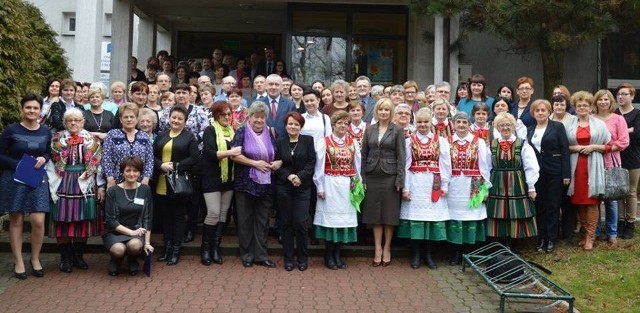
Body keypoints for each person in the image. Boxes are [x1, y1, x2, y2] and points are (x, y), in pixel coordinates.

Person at [0, 93, 51, 279]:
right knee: (17, 221)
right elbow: (0, 154)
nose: (32, 111)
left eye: (35, 108)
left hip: (36, 177)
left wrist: (43, 158)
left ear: (40, 110)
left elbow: (48, 152)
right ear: (22, 109)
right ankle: (19, 261)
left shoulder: (45, 131)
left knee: (38, 221)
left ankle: (35, 259)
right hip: (14, 178)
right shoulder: (11, 129)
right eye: (28, 107)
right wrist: (18, 164)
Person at [48, 108, 103, 273]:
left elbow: (98, 163)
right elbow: (53, 161)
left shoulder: (92, 139)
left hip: (84, 181)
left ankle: (78, 256)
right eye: (70, 120)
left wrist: (100, 185)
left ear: (82, 122)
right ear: (65, 123)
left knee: (82, 219)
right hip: (63, 181)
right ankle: (65, 257)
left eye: (77, 120)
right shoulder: (57, 139)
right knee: (62, 219)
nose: (73, 123)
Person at [230, 101, 281, 268]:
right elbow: (234, 156)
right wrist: (255, 163)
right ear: (249, 117)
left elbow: (279, 155)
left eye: (262, 117)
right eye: (255, 116)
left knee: (263, 220)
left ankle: (261, 255)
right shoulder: (242, 132)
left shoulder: (271, 132)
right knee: (245, 220)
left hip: (266, 184)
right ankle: (247, 254)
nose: (259, 120)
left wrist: (276, 164)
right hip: (246, 183)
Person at [399, 108, 451, 269]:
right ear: (415, 123)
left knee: (431, 220)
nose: (422, 125)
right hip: (415, 183)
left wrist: (444, 184)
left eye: (426, 122)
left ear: (431, 122)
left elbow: (445, 164)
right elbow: (406, 165)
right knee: (416, 221)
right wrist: (405, 188)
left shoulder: (440, 141)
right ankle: (415, 255)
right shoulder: (409, 141)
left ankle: (429, 255)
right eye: (419, 122)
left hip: (433, 184)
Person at [484, 112, 540, 252]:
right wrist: (485, 188)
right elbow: (486, 167)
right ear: (497, 127)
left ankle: (515, 246)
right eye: (502, 125)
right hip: (497, 183)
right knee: (499, 212)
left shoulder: (523, 144)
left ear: (514, 126)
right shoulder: (491, 145)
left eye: (508, 125)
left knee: (516, 212)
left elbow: (531, 166)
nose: (505, 128)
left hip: (517, 183)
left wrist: (531, 187)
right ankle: (502, 245)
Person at [313, 110, 362, 270]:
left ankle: (338, 254)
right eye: (339, 123)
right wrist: (320, 186)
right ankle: (329, 255)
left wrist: (358, 183)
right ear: (333, 124)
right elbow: (319, 167)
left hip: (347, 185)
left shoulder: (353, 142)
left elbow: (357, 165)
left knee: (343, 222)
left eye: (346, 123)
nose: (343, 126)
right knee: (330, 221)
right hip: (330, 184)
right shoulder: (324, 142)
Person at [153, 105, 200, 265]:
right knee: (165, 217)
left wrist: (176, 165)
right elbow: (152, 155)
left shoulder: (189, 137)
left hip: (178, 184)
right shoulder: (161, 136)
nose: (176, 121)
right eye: (174, 117)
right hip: (161, 181)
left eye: (180, 119)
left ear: (185, 121)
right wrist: (161, 165)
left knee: (178, 217)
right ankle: (166, 248)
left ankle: (175, 250)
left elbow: (195, 157)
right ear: (169, 118)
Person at [362, 98, 406, 267]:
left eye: (387, 110)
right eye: (381, 110)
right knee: (375, 215)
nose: (383, 112)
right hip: (372, 175)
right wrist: (363, 178)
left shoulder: (397, 130)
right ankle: (377, 249)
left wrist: (400, 179)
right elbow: (364, 155)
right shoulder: (370, 130)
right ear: (377, 111)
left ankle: (387, 248)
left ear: (391, 112)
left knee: (389, 214)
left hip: (390, 176)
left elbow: (401, 157)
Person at [567, 91, 611, 250]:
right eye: (579, 105)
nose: (582, 108)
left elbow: (609, 146)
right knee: (579, 201)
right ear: (575, 107)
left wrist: (593, 147)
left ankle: (590, 237)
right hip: (576, 167)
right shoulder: (569, 124)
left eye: (585, 105)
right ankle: (585, 234)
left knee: (592, 201)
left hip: (593, 166)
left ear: (591, 106)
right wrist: (576, 148)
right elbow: (564, 146)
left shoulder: (599, 124)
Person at [525, 100, 571, 253]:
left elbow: (565, 151)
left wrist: (566, 174)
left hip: (555, 171)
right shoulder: (530, 129)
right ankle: (542, 237)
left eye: (543, 110)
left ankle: (551, 238)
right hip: (537, 173)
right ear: (533, 113)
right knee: (540, 206)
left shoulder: (557, 127)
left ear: (548, 112)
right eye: (537, 110)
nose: (540, 113)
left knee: (553, 205)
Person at [446, 111, 491, 265]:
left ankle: (469, 254)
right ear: (453, 124)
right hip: (454, 186)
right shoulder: (447, 141)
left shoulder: (478, 142)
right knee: (456, 218)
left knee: (471, 218)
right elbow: (444, 166)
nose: (461, 125)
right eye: (458, 122)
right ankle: (454, 254)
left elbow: (485, 166)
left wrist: (485, 188)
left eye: (464, 122)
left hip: (474, 184)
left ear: (469, 124)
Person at [200, 101, 240, 265]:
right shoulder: (210, 130)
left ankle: (215, 247)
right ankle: (205, 248)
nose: (226, 117)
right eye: (222, 114)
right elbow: (209, 153)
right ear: (216, 115)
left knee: (223, 214)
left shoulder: (233, 131)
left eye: (229, 114)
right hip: (212, 178)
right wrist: (230, 152)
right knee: (214, 213)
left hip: (229, 179)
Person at [275, 112, 316, 271]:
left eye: (296, 124)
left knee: (300, 222)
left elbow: (311, 162)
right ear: (286, 125)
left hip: (302, 188)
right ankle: (289, 258)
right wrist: (289, 176)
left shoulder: (308, 141)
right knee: (286, 223)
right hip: (284, 187)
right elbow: (277, 165)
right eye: (290, 124)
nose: (293, 127)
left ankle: (302, 258)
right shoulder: (279, 142)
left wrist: (300, 176)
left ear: (301, 126)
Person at [102, 157, 154, 276]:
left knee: (134, 245)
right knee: (118, 250)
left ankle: (132, 258)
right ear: (122, 172)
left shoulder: (145, 189)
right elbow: (110, 221)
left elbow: (148, 217)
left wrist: (147, 242)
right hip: (116, 232)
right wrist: (131, 233)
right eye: (128, 170)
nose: (132, 174)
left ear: (140, 172)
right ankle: (116, 259)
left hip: (137, 230)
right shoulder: (113, 191)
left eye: (135, 171)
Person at [593, 89, 629, 246]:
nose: (603, 102)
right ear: (596, 102)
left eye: (606, 99)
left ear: (611, 102)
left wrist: (606, 147)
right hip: (593, 163)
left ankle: (611, 233)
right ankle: (593, 232)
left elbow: (624, 141)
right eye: (600, 99)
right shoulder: (591, 118)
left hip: (610, 162)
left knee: (611, 200)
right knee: (594, 200)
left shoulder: (618, 119)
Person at [101, 103, 154, 189]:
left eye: (132, 117)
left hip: (139, 182)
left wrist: (146, 179)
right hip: (116, 182)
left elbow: (149, 160)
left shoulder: (144, 136)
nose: (129, 119)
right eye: (126, 117)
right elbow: (106, 158)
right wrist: (109, 178)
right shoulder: (112, 135)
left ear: (137, 119)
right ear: (120, 120)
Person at [615, 83, 640, 239]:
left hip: (633, 157)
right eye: (619, 94)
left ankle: (630, 223)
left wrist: (622, 131)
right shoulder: (614, 113)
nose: (621, 97)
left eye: (625, 94)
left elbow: (638, 133)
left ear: (632, 96)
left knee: (631, 191)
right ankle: (620, 221)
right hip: (616, 157)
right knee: (618, 192)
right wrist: (628, 130)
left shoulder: (637, 114)